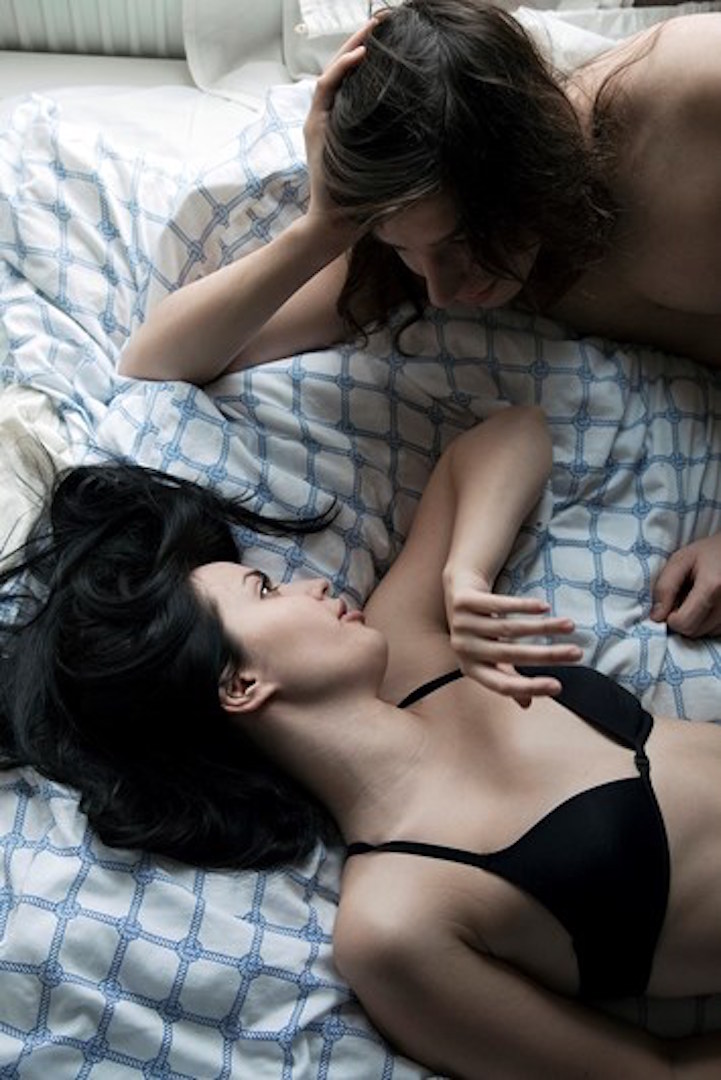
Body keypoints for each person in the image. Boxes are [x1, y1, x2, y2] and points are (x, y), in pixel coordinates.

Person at [2, 405, 721, 1077]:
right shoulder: (394, 924)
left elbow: (515, 431)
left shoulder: (414, 651)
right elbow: (658, 1073)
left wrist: (465, 570)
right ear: (241, 685)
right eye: (264, 591)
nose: (308, 587)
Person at [117, 2, 721, 641]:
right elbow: (156, 361)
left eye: (457, 242)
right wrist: (324, 225)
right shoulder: (420, 247)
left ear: (525, 166)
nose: (441, 289)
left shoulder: (688, 100)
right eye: (407, 249)